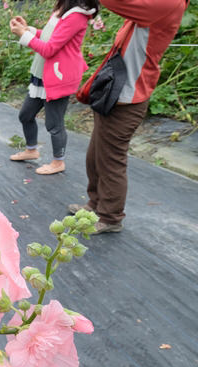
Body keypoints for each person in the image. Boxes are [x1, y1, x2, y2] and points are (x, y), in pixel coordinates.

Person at [68, 0, 188, 234]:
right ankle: (94, 204)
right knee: (96, 155)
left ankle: (111, 217)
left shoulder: (169, 3)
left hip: (129, 98)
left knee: (111, 159)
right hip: (115, 93)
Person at [8, 0, 99, 175]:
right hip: (42, 73)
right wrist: (28, 30)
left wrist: (24, 35)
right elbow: (51, 36)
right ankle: (32, 150)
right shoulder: (63, 10)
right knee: (25, 115)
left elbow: (50, 49)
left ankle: (58, 162)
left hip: (58, 76)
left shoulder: (77, 16)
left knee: (54, 124)